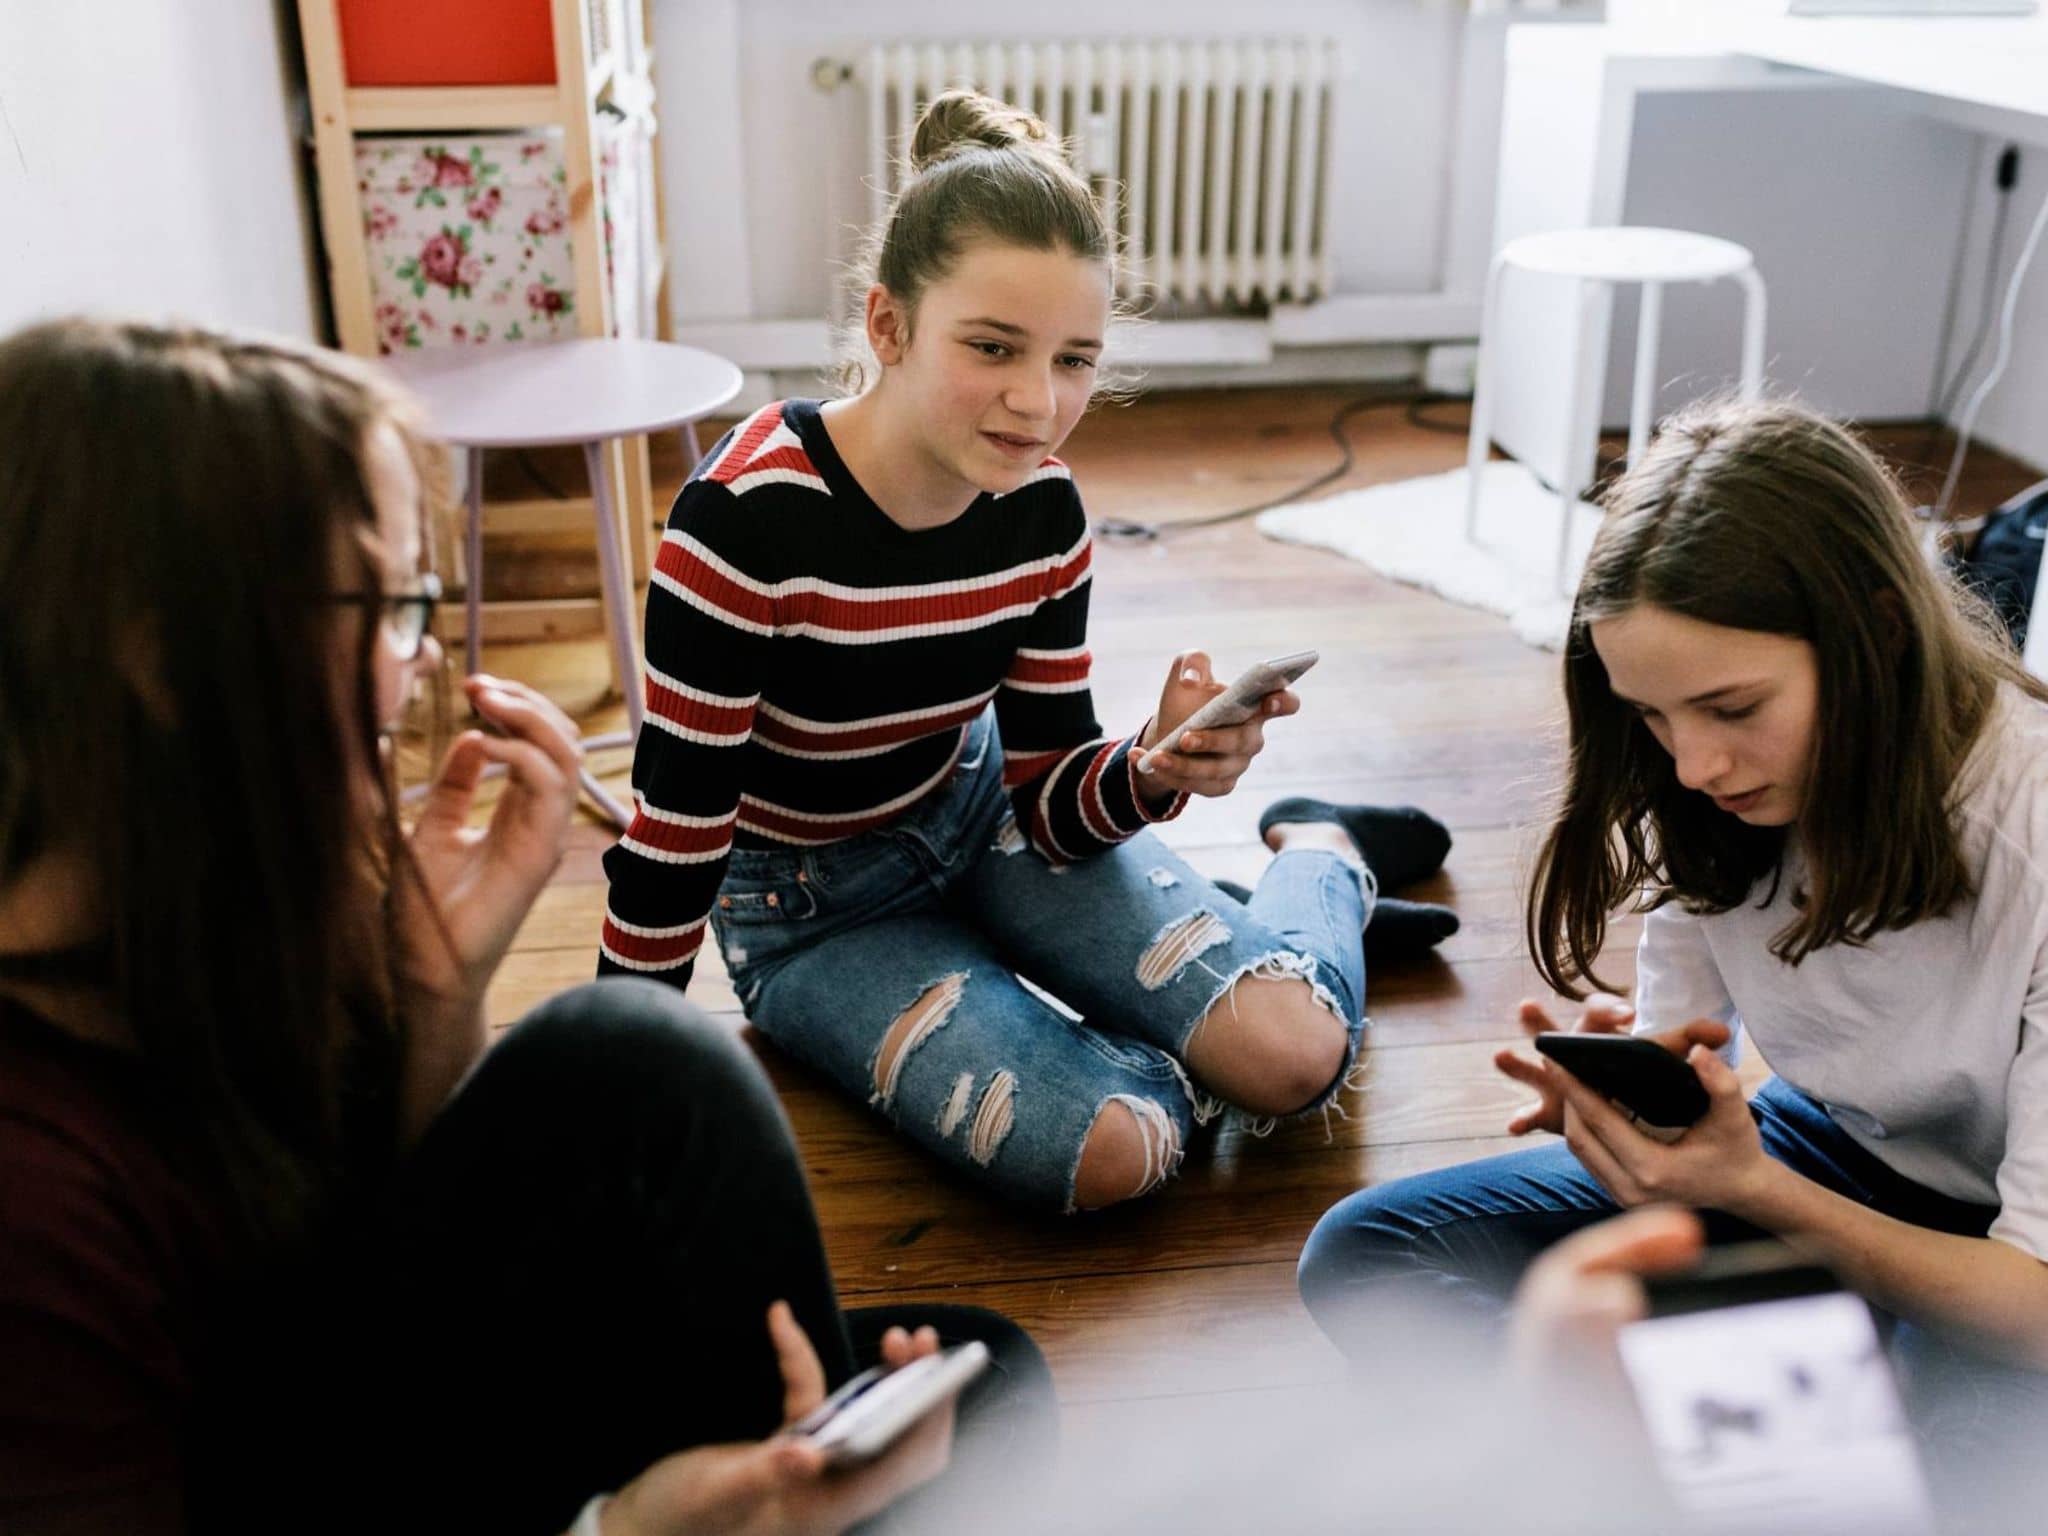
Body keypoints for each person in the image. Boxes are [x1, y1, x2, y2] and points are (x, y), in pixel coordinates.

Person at [0, 318, 1051, 1536]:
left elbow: (364, 1259)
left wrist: (435, 995)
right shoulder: (30, 1203)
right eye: (380, 603)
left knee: (980, 1385)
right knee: (629, 1057)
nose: (414, 668)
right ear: (151, 649)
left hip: (329, 1423)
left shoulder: (204, 914)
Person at [597, 90, 1456, 1212]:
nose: (1036, 402)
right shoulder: (743, 519)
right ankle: (1203, 969)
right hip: (808, 912)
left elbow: (1047, 798)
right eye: (993, 348)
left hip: (983, 821)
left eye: (1073, 360)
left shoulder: (1043, 514)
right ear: (887, 325)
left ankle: (1321, 856)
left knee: (1296, 1059)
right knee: (1116, 1153)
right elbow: (674, 832)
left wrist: (1147, 768)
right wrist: (616, 1097)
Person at [1297, 397, 2048, 1497]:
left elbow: (2029, 1301)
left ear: (1875, 632)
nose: (1693, 765)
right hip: (1818, 1152)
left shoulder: (2024, 828)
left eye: (1730, 707)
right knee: (1366, 1258)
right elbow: (1686, 1033)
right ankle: (1747, 1424)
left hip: (1994, 1253)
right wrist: (1641, 1107)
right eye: (1651, 716)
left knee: (1954, 1478)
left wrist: (1752, 1194)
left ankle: (1718, 1431)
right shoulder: (1708, 785)